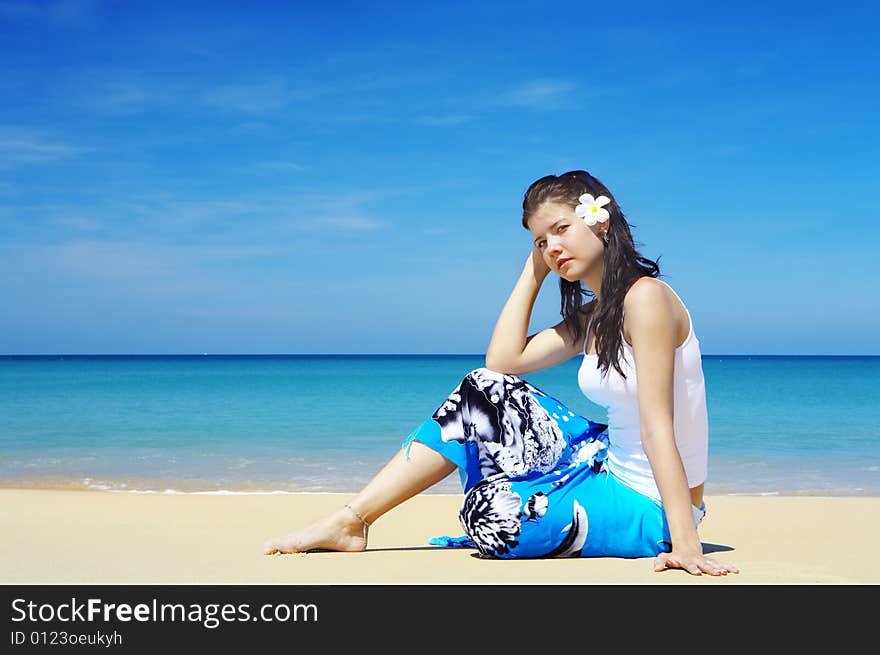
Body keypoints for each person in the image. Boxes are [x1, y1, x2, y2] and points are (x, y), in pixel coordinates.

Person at [263, 170, 739, 576]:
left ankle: (518, 503)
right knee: (479, 391)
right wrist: (533, 272)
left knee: (494, 517)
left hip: (653, 506)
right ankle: (352, 520)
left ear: (601, 220)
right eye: (539, 240)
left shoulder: (646, 299)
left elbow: (660, 424)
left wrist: (686, 545)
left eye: (560, 229)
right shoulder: (595, 315)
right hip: (603, 460)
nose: (552, 247)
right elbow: (501, 365)